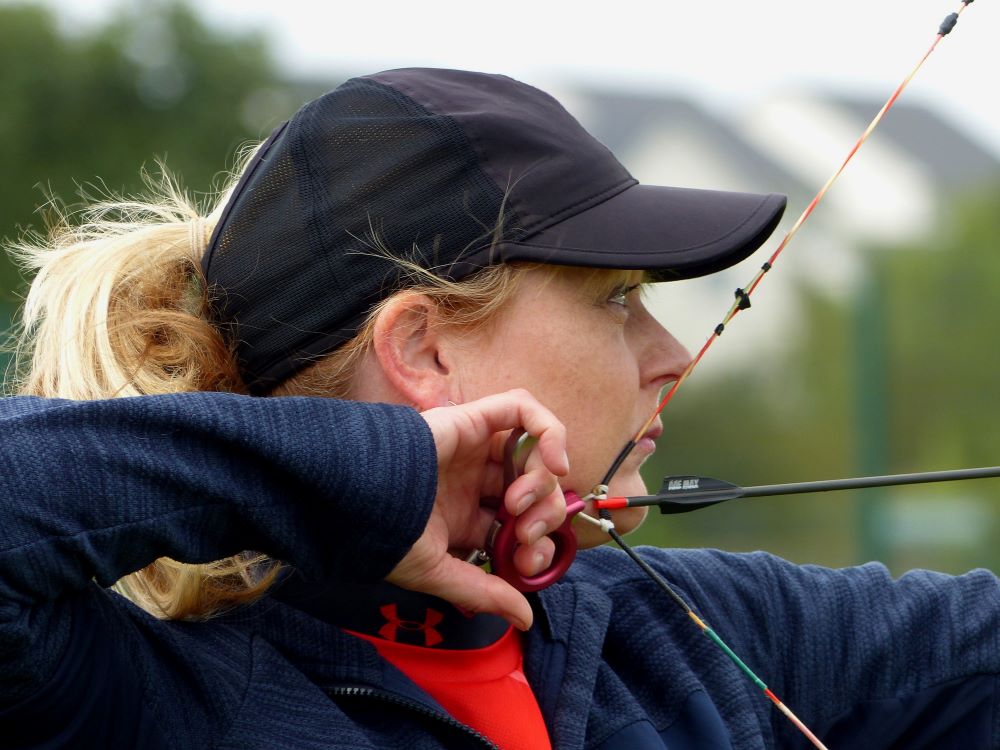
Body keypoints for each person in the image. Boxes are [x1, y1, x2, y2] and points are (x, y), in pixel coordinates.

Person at [0, 67, 997, 750]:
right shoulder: (144, 693)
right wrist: (373, 469)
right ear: (424, 351)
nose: (669, 355)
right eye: (616, 299)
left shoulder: (687, 636)